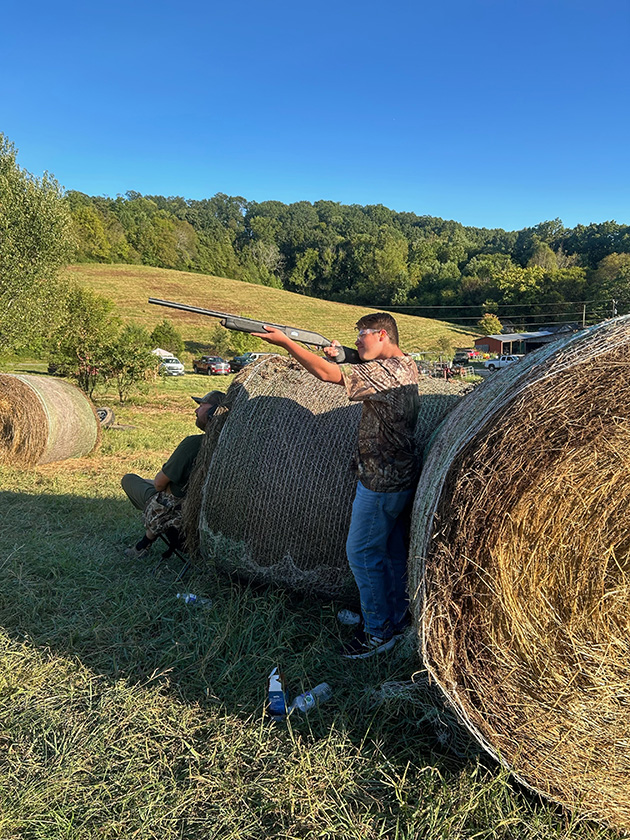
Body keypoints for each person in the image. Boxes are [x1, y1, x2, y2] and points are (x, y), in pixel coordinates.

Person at [253, 314, 420, 659]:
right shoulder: (406, 366)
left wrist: (287, 342)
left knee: (361, 554)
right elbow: (354, 361)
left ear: (383, 335)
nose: (358, 341)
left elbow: (328, 375)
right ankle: (395, 619)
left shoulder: (390, 373)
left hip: (380, 481)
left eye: (362, 336)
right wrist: (343, 352)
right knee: (389, 554)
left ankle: (376, 633)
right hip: (395, 477)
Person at [121, 390, 224, 559]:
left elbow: (159, 484)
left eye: (201, 406)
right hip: (205, 525)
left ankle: (143, 545)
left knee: (130, 480)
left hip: (179, 525)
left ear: (214, 412)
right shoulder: (232, 451)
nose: (196, 411)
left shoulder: (193, 444)